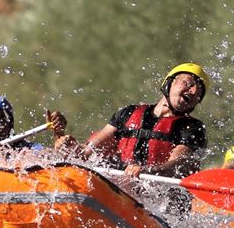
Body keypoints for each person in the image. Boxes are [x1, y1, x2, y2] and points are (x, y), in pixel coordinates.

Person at [79, 63, 209, 179]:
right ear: (169, 83)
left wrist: (146, 171)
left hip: (159, 197)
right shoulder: (128, 113)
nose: (193, 91)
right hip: (119, 186)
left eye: (199, 92)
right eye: (188, 83)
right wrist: (64, 141)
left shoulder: (193, 128)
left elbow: (176, 165)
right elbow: (88, 151)